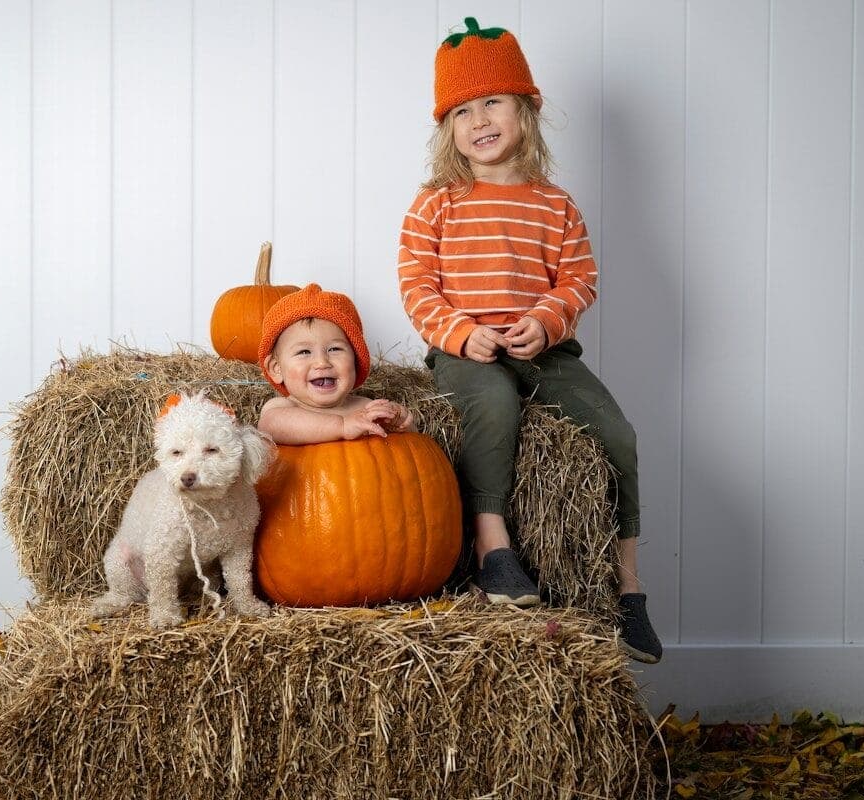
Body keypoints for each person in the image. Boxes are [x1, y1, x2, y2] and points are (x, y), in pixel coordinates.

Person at [396, 17, 662, 663]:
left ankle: (628, 587)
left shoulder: (554, 204)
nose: (479, 120)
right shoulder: (437, 203)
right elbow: (416, 284)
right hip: (468, 350)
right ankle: (495, 550)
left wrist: (544, 320)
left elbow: (578, 278)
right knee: (492, 405)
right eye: (462, 110)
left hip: (544, 348)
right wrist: (461, 333)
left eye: (493, 102)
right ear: (447, 129)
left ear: (526, 111)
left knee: (617, 434)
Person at [257, 283, 415, 444]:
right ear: (276, 369)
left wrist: (399, 422)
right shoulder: (281, 408)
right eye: (304, 352)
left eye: (334, 349)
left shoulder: (365, 407)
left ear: (355, 359)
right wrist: (342, 426)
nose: (321, 362)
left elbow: (409, 451)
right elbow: (270, 426)